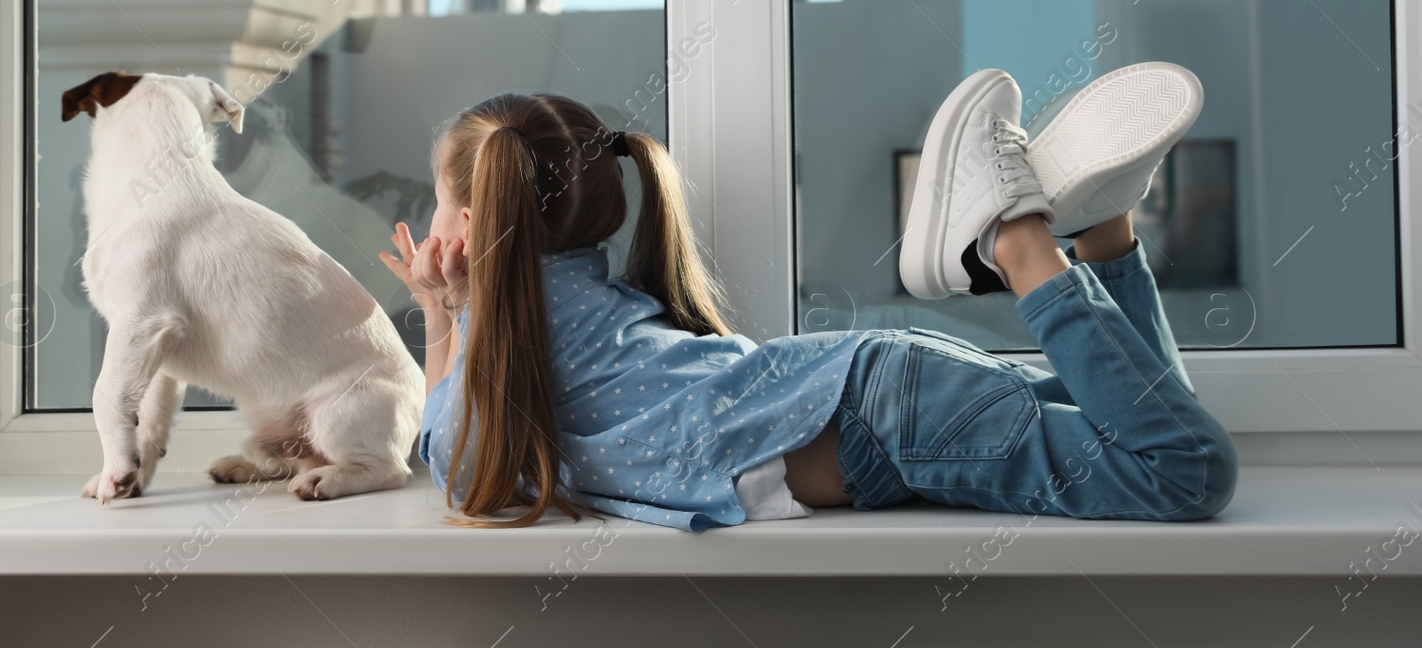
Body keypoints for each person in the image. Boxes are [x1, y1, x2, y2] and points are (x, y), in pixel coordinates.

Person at [379, 64, 1237, 530]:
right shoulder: (568, 320)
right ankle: (1106, 232)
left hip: (890, 421)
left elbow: (458, 467)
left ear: (473, 215)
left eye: (439, 200)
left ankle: (1016, 239)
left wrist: (445, 314)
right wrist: (463, 314)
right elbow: (470, 447)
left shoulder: (529, 345)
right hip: (884, 397)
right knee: (1150, 422)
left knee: (1183, 470)